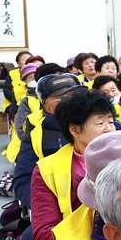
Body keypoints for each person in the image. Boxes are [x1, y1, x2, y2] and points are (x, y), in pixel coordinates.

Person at [29, 89, 117, 240]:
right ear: (75, 130)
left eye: (111, 121)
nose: (109, 129)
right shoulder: (48, 169)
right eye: (100, 123)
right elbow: (44, 230)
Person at [13, 74, 81, 210]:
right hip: (58, 206)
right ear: (47, 107)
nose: (72, 102)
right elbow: (24, 178)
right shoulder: (38, 134)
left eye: (76, 95)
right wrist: (46, 209)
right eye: (63, 98)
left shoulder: (101, 122)